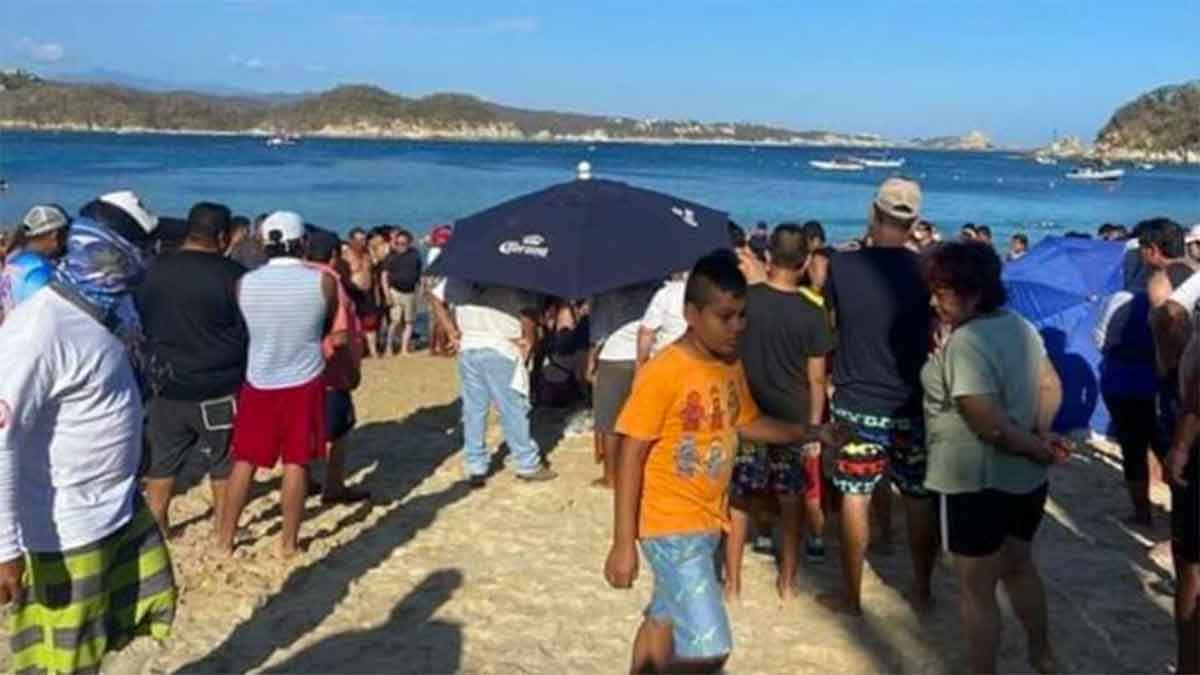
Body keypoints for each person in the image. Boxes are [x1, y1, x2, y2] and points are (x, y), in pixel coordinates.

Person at [603, 250, 847, 674]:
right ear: (691, 314)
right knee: (709, 648)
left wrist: (813, 432)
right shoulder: (664, 372)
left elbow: (748, 421)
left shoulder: (729, 365)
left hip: (708, 521)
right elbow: (630, 453)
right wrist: (622, 543)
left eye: (742, 316)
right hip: (670, 525)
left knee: (662, 617)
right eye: (725, 317)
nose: (737, 327)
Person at [0, 215, 176, 675]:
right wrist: (4, 550)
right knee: (62, 660)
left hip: (116, 508)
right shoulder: (39, 331)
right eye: (143, 248)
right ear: (114, 256)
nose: (151, 260)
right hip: (65, 526)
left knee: (133, 616)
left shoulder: (106, 312)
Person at [921, 242, 1066, 674]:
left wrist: (1032, 443)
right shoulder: (1019, 326)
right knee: (1020, 567)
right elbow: (1049, 384)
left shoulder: (966, 343)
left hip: (975, 481)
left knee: (976, 588)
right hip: (1026, 481)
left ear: (972, 293)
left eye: (942, 292)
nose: (934, 300)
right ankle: (1041, 652)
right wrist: (1041, 432)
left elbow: (988, 423)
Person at [820, 177, 938, 616]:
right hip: (911, 401)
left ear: (874, 213)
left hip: (856, 398)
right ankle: (923, 590)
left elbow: (833, 321)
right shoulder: (928, 270)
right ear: (916, 222)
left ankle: (851, 595)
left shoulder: (844, 266)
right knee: (918, 496)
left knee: (855, 493)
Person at [217, 211, 340, 557]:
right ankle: (288, 542)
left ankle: (225, 538)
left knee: (245, 460)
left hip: (259, 377)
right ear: (302, 242)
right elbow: (325, 324)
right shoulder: (322, 281)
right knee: (296, 462)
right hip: (304, 378)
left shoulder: (245, 283)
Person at [724, 225, 835, 601]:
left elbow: (730, 353)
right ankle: (786, 582)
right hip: (792, 420)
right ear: (805, 262)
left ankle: (733, 583)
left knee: (740, 500)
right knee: (792, 504)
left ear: (768, 257)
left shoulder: (747, 300)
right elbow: (817, 379)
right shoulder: (812, 311)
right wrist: (815, 430)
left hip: (750, 417)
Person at [135, 202, 248, 536]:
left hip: (165, 381)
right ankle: (223, 525)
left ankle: (158, 521)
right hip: (218, 383)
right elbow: (246, 327)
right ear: (223, 235)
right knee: (223, 459)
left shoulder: (152, 269)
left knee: (163, 459)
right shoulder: (233, 275)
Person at [430, 276, 557, 485]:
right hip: (502, 347)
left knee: (474, 409)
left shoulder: (461, 275)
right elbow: (527, 313)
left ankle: (475, 465)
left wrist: (451, 331)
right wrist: (529, 339)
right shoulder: (514, 275)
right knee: (513, 408)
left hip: (470, 345)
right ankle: (527, 462)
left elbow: (435, 298)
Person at [305, 230, 370, 504]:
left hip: (302, 368)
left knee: (305, 428)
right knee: (338, 431)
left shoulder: (300, 276)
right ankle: (333, 486)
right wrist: (350, 372)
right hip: (330, 369)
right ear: (333, 255)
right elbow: (340, 336)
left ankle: (305, 479)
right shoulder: (331, 282)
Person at [589, 283, 657, 487]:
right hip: (645, 358)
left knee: (609, 421)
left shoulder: (606, 292)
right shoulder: (652, 289)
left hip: (613, 356)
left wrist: (591, 360)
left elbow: (599, 332)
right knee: (640, 418)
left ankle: (611, 476)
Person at [0, 204, 70, 324]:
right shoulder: (39, 270)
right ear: (55, 234)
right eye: (66, 235)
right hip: (25, 337)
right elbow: (43, 316)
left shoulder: (14, 259)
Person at [383, 229, 422, 355]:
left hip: (410, 292)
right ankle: (388, 347)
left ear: (409, 243)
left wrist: (420, 292)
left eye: (403, 244)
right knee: (395, 321)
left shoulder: (415, 255)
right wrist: (387, 294)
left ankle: (404, 348)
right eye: (398, 243)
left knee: (409, 321)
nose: (400, 246)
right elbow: (384, 276)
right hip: (395, 291)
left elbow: (419, 274)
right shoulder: (391, 256)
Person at [637, 272, 688, 366]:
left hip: (667, 359)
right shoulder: (706, 292)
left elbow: (646, 332)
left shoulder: (665, 293)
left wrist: (641, 362)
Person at [425, 225, 454, 356]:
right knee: (442, 318)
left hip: (434, 285)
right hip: (440, 285)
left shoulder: (433, 251)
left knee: (435, 320)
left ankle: (434, 347)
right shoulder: (440, 252)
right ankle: (440, 348)